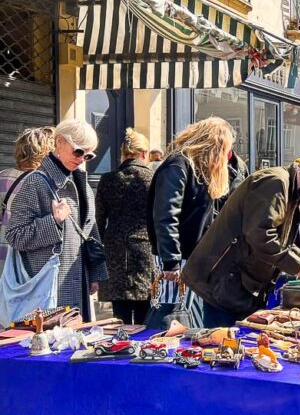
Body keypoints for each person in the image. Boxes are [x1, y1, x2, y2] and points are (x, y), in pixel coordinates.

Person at [183, 159, 300, 327]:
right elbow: (260, 235)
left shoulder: (289, 188)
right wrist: (298, 267)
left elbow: (280, 239)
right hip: (223, 282)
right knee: (222, 344)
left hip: (237, 283)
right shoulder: (276, 183)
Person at [7, 120, 108, 321]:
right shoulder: (36, 182)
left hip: (78, 284)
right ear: (59, 142)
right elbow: (14, 235)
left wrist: (95, 272)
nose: (81, 159)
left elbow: (90, 231)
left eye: (88, 155)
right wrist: (53, 221)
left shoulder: (82, 184)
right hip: (47, 291)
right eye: (78, 152)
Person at [147, 117, 234, 328]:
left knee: (189, 319)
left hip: (192, 259)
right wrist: (171, 261)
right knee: (173, 318)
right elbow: (166, 216)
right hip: (178, 259)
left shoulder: (194, 167)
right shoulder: (178, 165)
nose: (226, 157)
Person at [95, 128, 154, 326]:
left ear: (123, 153)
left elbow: (99, 220)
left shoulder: (108, 179)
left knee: (119, 313)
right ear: (144, 153)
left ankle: (121, 350)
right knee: (144, 310)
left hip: (115, 250)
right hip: (145, 249)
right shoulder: (153, 179)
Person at [0, 127, 55, 275]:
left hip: (3, 258)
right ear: (46, 153)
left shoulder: (3, 177)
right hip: (31, 264)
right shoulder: (47, 183)